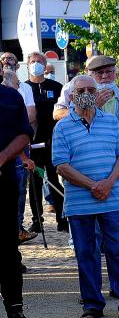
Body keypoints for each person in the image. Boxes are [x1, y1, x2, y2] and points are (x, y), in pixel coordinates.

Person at [51, 75, 119, 318]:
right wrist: (93, 185)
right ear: (72, 95)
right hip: (80, 201)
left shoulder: (111, 122)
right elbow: (61, 165)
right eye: (82, 89)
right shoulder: (63, 127)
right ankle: (92, 304)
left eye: (92, 88)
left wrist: (108, 183)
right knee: (86, 253)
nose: (88, 92)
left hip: (111, 198)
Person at [0, 77, 40, 318]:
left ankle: (15, 313)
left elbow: (24, 134)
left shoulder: (11, 96)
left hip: (3, 183)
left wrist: (1, 158)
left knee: (7, 251)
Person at [24, 51, 66, 233]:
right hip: (32, 144)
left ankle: (62, 219)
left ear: (45, 64)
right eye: (33, 61)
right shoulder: (23, 88)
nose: (36, 64)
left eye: (39, 61)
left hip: (54, 143)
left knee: (56, 180)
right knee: (36, 181)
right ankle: (37, 219)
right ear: (28, 65)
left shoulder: (56, 87)